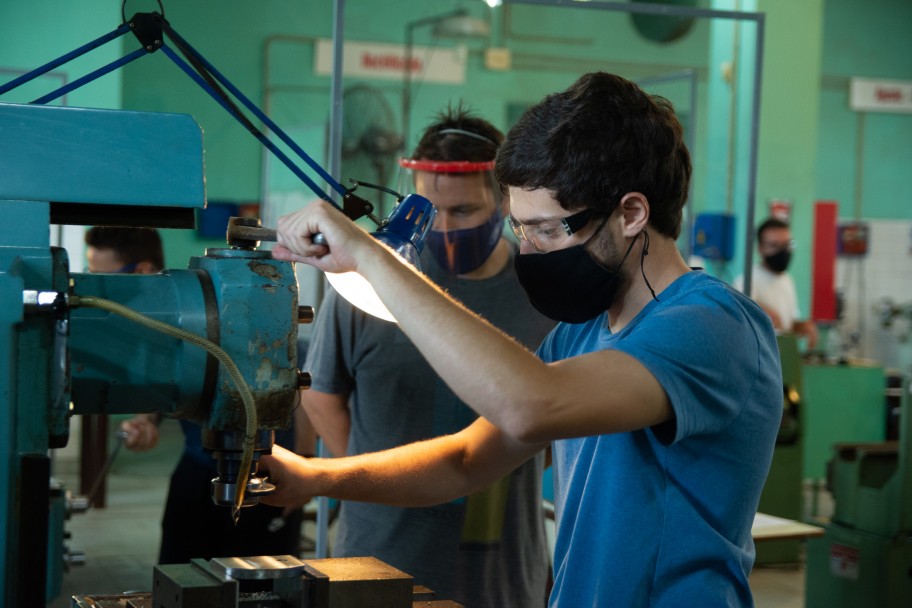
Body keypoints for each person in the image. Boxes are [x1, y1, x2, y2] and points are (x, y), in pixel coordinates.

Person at [267, 72, 782, 606]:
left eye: (548, 229)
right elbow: (467, 459)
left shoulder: (713, 326)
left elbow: (530, 406)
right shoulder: (579, 334)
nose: (529, 252)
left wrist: (371, 257)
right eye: (520, 229)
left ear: (631, 213)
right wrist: (314, 477)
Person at [299, 106, 554, 607]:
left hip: (500, 563)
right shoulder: (369, 282)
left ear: (504, 204)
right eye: (430, 211)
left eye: (463, 212)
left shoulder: (542, 294)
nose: (444, 227)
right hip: (379, 551)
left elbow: (553, 416)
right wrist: (387, 480)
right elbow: (321, 395)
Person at [86, 226, 308, 564]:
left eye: (99, 277)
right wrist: (145, 420)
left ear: (141, 271)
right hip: (197, 469)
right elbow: (165, 376)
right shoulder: (149, 327)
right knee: (184, 574)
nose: (92, 289)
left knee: (263, 580)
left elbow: (305, 395)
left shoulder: (198, 314)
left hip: (272, 469)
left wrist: (307, 465)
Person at [738, 217, 818, 348]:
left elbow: (786, 325)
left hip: (781, 355)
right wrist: (759, 309)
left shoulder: (787, 280)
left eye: (787, 245)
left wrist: (802, 326)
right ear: (761, 249)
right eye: (775, 245)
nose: (783, 251)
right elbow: (742, 322)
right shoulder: (747, 281)